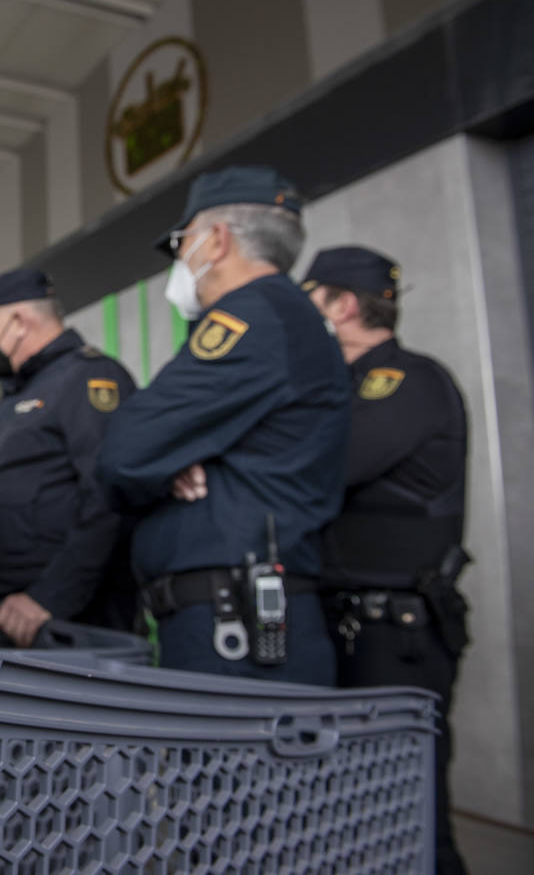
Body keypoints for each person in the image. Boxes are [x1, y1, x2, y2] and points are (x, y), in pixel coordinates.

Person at [96, 165, 350, 686]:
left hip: (234, 624)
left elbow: (126, 448)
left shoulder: (253, 316)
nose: (179, 261)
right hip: (237, 614)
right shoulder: (285, 316)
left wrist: (164, 458)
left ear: (215, 240)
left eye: (180, 242)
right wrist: (172, 461)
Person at [301, 245, 470, 875]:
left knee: (407, 812)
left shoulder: (405, 380)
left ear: (342, 306)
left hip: (393, 633)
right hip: (342, 622)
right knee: (355, 815)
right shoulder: (338, 387)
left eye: (308, 300)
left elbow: (328, 468)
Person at [0, 269, 137, 647]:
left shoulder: (88, 377)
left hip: (50, 619)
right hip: (2, 613)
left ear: (19, 322)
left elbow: (109, 497)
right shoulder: (23, 391)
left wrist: (49, 596)